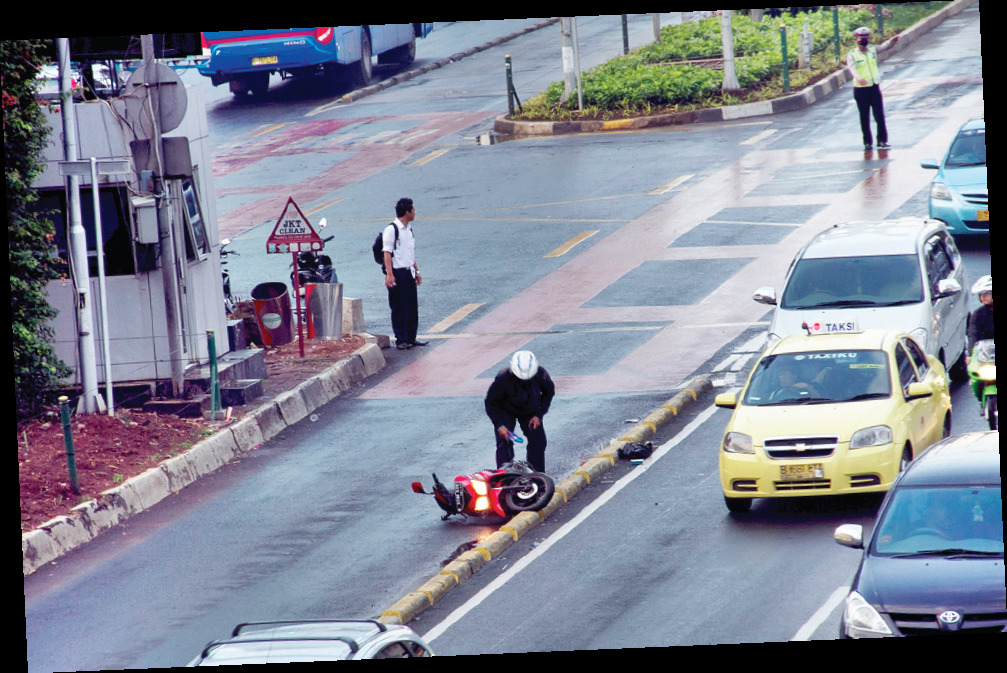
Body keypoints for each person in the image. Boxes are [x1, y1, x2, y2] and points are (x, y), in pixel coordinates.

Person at [485, 351, 555, 473]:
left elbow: (548, 393)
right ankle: (504, 476)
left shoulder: (541, 375)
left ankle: (537, 475)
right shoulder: (503, 378)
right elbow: (490, 403)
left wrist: (539, 415)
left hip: (530, 411)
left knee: (538, 441)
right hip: (506, 410)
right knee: (504, 442)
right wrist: (499, 425)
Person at [382, 198, 427, 350]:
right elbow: (387, 253)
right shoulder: (392, 229)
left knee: (412, 306)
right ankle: (401, 339)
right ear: (406, 212)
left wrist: (417, 271)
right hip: (397, 273)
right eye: (413, 210)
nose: (414, 213)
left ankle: (411, 337)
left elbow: (410, 253)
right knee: (399, 307)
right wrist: (389, 274)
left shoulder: (408, 229)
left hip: (409, 272)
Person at [846, 26, 898, 151]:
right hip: (861, 89)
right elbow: (852, 68)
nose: (864, 41)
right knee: (864, 116)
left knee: (879, 115)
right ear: (856, 40)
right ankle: (867, 142)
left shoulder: (872, 50)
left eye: (866, 38)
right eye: (861, 39)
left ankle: (882, 140)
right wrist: (858, 78)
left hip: (874, 87)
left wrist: (892, 42)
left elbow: (883, 47)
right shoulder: (852, 55)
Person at [965, 275, 993, 361]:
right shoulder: (978, 314)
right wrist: (970, 354)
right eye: (981, 294)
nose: (983, 297)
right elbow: (973, 334)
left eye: (987, 294)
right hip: (987, 354)